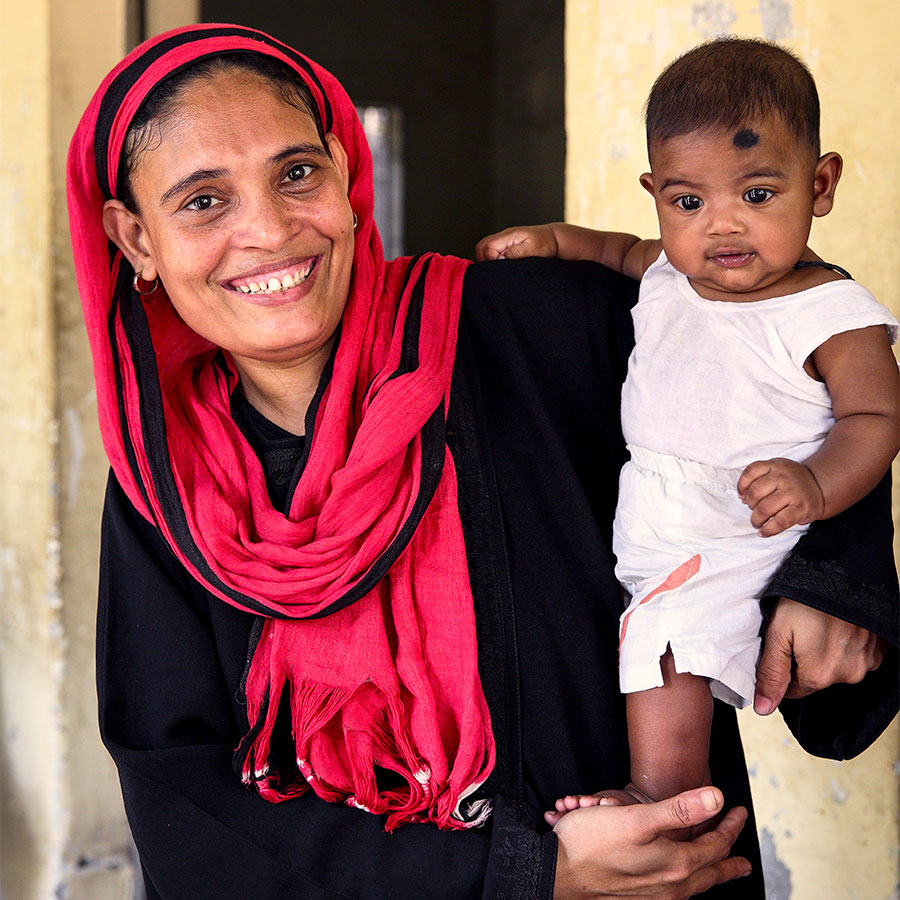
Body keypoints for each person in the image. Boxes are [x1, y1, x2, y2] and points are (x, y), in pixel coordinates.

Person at [66, 24, 898, 900]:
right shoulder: (172, 491)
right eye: (203, 201)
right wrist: (525, 873)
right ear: (136, 240)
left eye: (297, 173)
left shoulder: (533, 325)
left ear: (347, 175)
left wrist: (834, 566)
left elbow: (783, 348)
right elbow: (188, 816)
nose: (269, 230)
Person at [476, 37, 900, 833]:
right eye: (689, 202)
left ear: (823, 183)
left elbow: (877, 419)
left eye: (760, 193)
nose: (723, 226)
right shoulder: (671, 273)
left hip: (742, 525)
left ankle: (666, 797)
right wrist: (550, 242)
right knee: (648, 639)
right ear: (656, 195)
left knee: (672, 647)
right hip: (660, 515)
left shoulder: (830, 315)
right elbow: (610, 251)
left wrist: (815, 486)